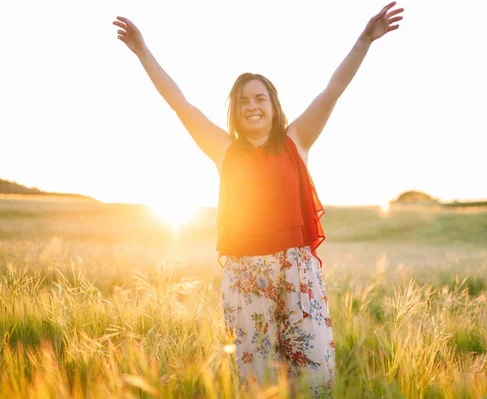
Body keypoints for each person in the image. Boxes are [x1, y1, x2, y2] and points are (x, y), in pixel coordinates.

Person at [113, 2, 403, 396]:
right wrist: (143, 52)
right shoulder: (223, 150)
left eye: (260, 98)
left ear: (273, 107)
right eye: (244, 100)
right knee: (257, 381)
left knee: (314, 374)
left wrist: (364, 40)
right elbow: (180, 103)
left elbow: (332, 89)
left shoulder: (296, 141)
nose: (252, 106)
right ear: (235, 110)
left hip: (298, 276)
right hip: (245, 276)